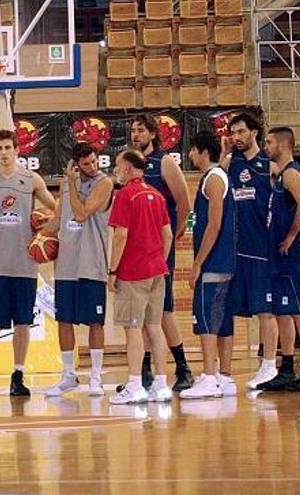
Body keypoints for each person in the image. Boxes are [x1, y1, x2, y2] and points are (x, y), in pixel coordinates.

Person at [0, 129, 57, 398]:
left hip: (24, 265)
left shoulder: (31, 179)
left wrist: (44, 224)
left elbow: (54, 208)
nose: (3, 152)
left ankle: (17, 375)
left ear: (17, 149)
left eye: (8, 147)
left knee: (23, 322)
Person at [129, 114, 194, 392]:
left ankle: (183, 367)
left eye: (141, 130)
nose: (135, 135)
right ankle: (143, 372)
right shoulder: (131, 166)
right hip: (135, 249)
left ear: (153, 134)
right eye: (133, 130)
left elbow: (186, 204)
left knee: (164, 310)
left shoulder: (165, 162)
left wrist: (179, 234)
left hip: (159, 249)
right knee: (140, 313)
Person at [44, 142, 114, 397]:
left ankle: (95, 376)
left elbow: (82, 213)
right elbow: (58, 219)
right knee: (64, 320)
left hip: (92, 261)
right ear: (75, 164)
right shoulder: (66, 185)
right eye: (86, 164)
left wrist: (71, 185)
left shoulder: (104, 183)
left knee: (95, 321)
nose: (92, 167)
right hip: (66, 264)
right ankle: (68, 375)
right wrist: (36, 239)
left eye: (94, 162)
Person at [107, 149, 174, 405]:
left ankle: (135, 384)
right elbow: (167, 234)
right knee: (154, 327)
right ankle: (161, 384)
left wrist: (113, 270)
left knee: (133, 328)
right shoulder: (157, 195)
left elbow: (121, 235)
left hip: (133, 272)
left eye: (116, 166)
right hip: (157, 270)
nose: (115, 171)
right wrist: (158, 259)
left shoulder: (125, 195)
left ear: (127, 168)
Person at [257, 127, 300, 392]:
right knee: (283, 311)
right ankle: (286, 368)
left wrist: (292, 236)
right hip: (281, 255)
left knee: (299, 312)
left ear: (283, 145)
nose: (266, 146)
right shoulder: (280, 176)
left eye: (269, 142)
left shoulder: (292, 172)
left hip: (294, 255)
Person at [221, 112, 279, 390]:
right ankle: (223, 373)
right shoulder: (231, 164)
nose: (236, 137)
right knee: (227, 310)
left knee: (266, 311)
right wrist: (223, 157)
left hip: (263, 251)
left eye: (241, 131)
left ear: (254, 132)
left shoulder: (269, 165)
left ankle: (269, 365)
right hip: (235, 253)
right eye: (233, 133)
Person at [179, 131, 237, 399]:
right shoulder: (219, 175)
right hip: (224, 261)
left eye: (192, 150)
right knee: (222, 321)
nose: (189, 155)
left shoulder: (213, 180)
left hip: (213, 261)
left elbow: (214, 225)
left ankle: (210, 377)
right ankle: (224, 377)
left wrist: (197, 263)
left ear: (203, 151)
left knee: (206, 321)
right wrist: (225, 153)